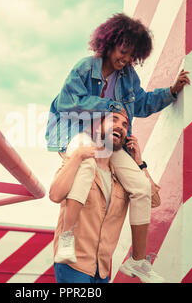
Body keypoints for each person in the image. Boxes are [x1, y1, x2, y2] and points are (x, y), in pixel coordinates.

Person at [45, 13, 190, 281]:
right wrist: (108, 106)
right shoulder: (84, 68)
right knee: (86, 162)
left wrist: (170, 92)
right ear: (109, 43)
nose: (125, 59)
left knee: (140, 186)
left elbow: (142, 103)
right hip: (76, 131)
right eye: (123, 51)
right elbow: (67, 103)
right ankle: (67, 238)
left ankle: (138, 261)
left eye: (131, 56)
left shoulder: (127, 78)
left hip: (110, 142)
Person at [50, 110, 163, 283]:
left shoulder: (122, 179)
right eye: (113, 120)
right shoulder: (80, 165)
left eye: (125, 125)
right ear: (97, 128)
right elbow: (55, 195)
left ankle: (137, 262)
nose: (120, 126)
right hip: (73, 264)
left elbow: (153, 200)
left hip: (101, 270)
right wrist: (78, 156)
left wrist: (140, 163)